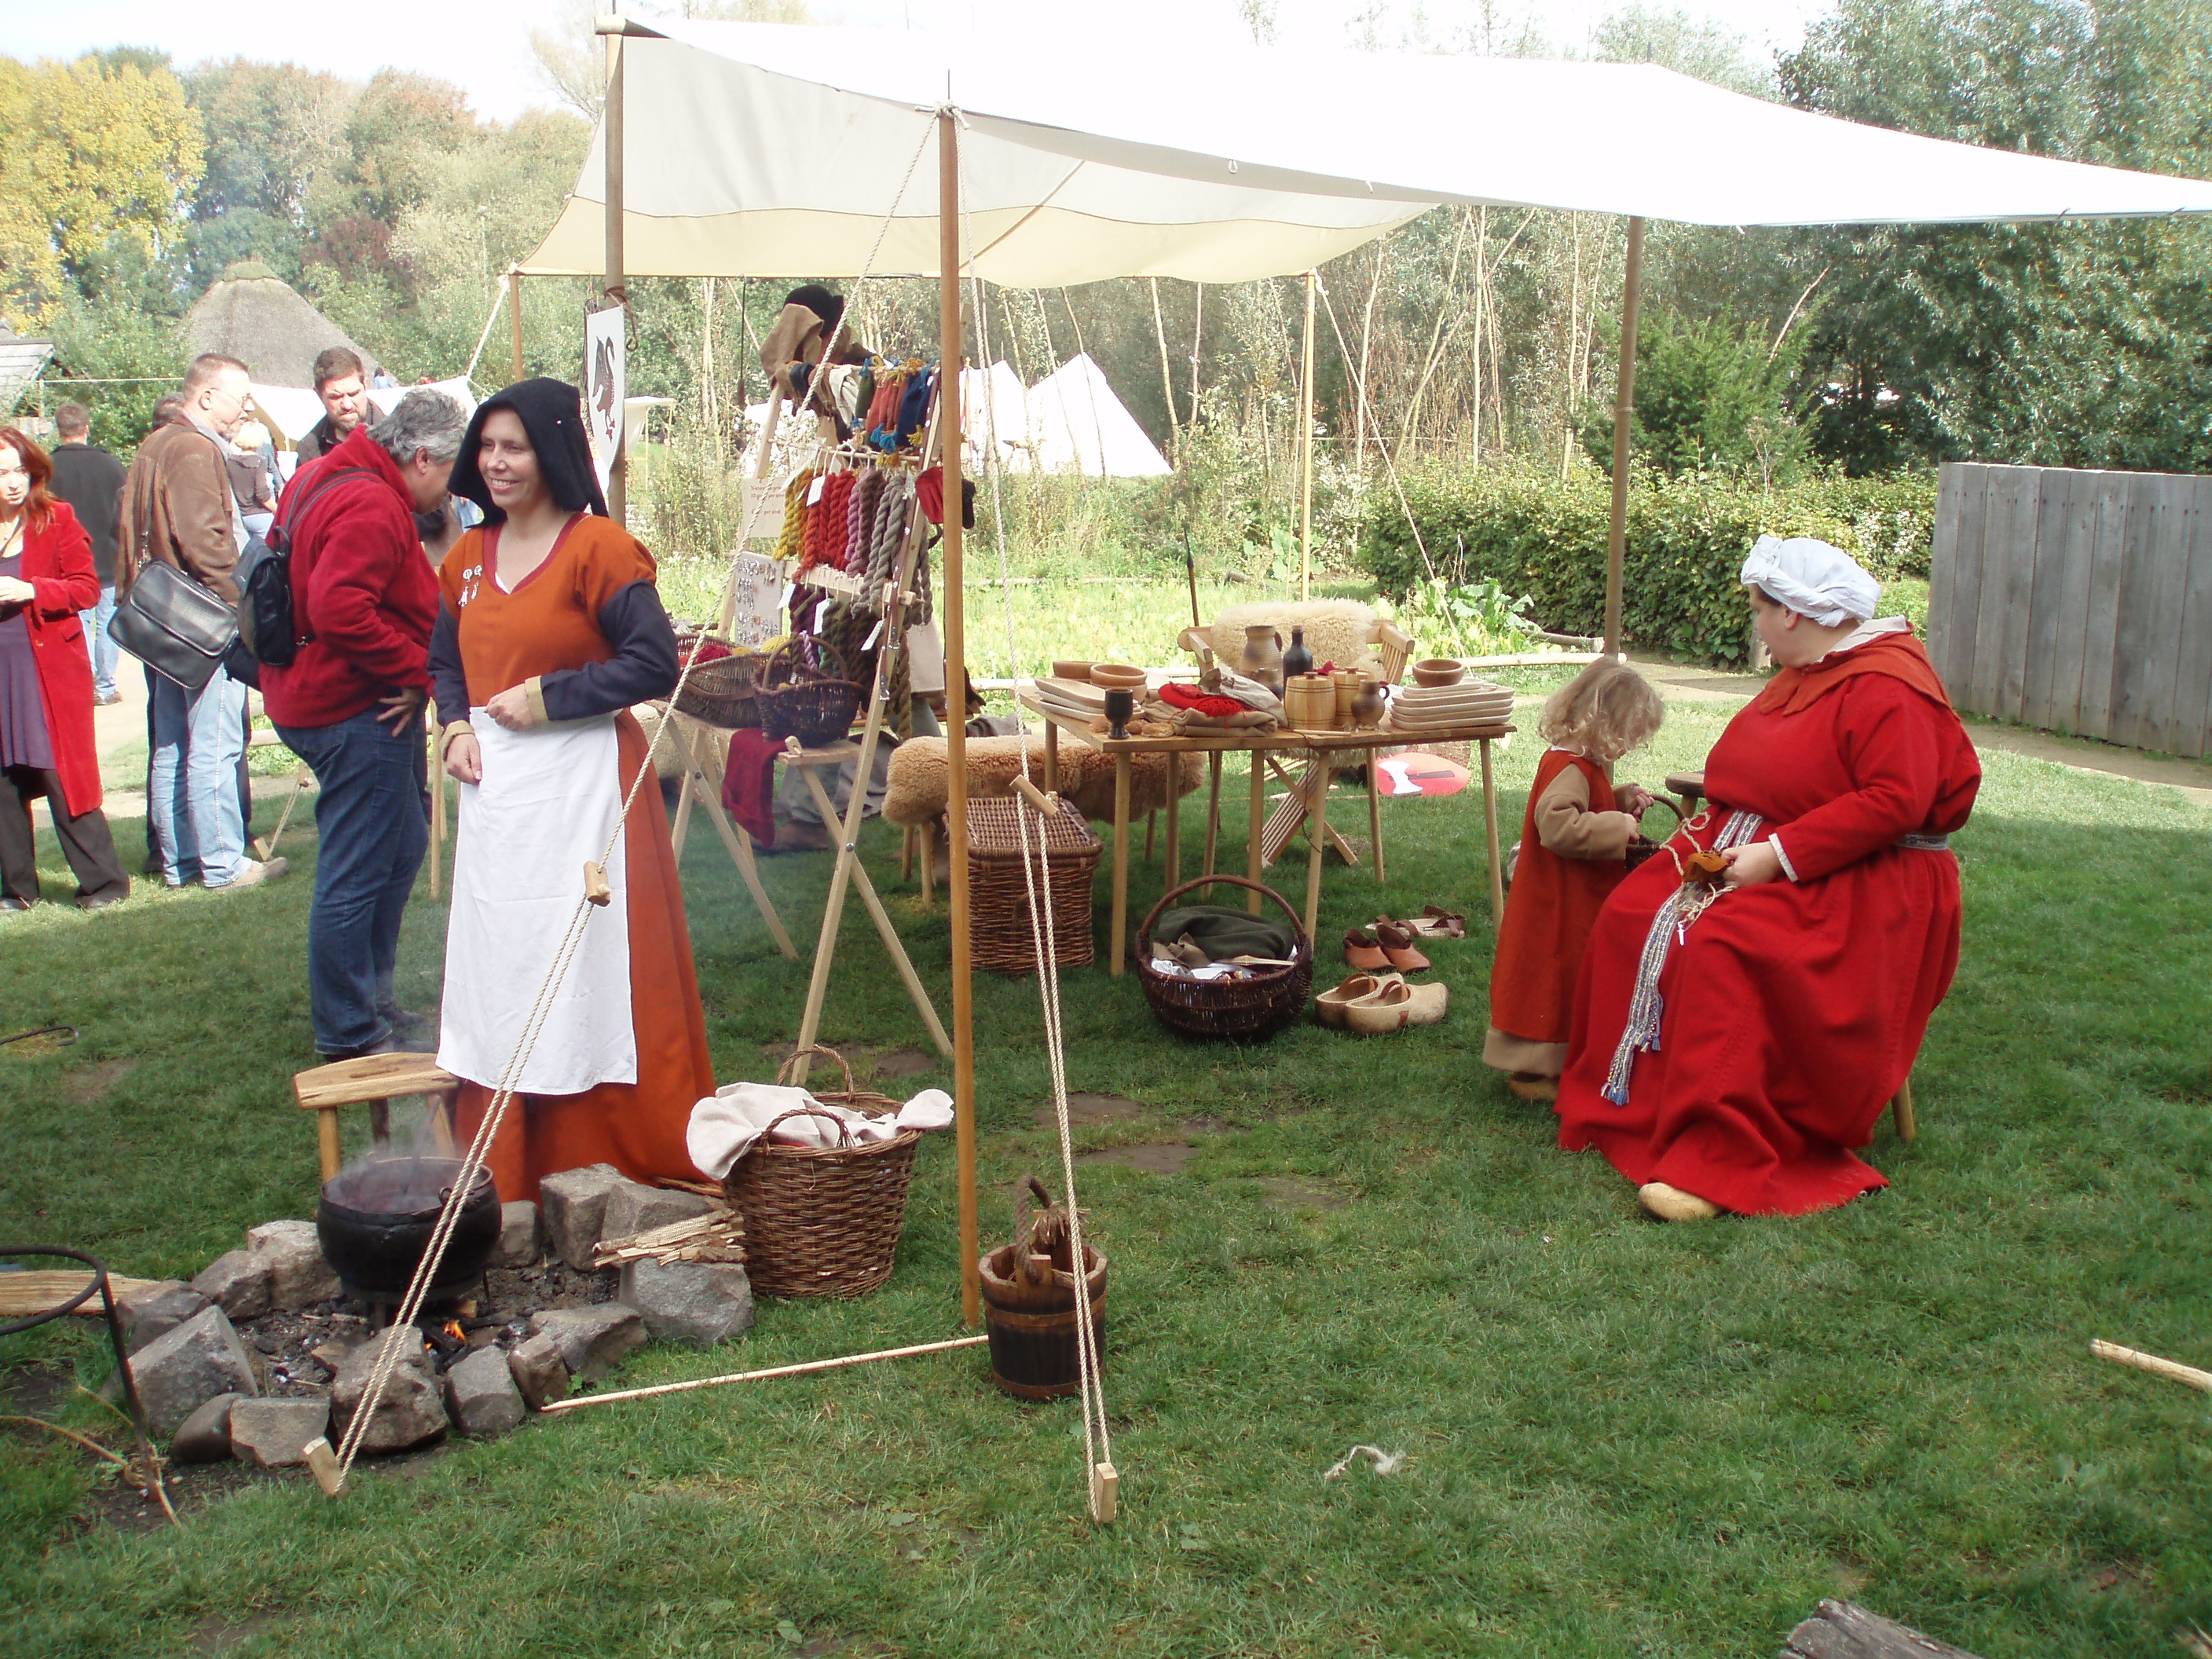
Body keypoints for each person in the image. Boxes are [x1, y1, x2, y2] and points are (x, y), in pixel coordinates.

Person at [1554, 537, 1981, 1223]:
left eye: (1758, 608)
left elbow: (1895, 801)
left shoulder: (1890, 685)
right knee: (1631, 911)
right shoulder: (1813, 669)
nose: (1754, 622)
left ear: (1792, 612)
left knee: (1726, 947)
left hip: (1863, 883)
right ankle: (1629, 1098)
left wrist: (1778, 855)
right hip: (1768, 853)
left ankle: (1720, 1152)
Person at [430, 378, 714, 1202]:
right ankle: (509, 1155)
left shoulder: (598, 548)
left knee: (593, 960)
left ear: (551, 451)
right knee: (507, 964)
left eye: (514, 447)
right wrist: (454, 725)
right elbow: (445, 660)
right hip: (499, 799)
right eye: (487, 446)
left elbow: (652, 663)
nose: (496, 462)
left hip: (587, 785)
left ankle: (613, 1146)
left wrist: (549, 698)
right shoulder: (467, 559)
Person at [265, 390, 468, 1060]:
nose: (451, 491)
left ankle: (372, 1004)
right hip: (351, 705)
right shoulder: (373, 501)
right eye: (451, 472)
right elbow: (339, 611)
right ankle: (350, 1032)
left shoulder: (325, 473)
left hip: (329, 694)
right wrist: (420, 672)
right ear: (422, 458)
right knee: (358, 870)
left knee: (400, 846)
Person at [116, 353, 287, 891]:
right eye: (241, 397)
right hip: (200, 619)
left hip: (161, 617)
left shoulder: (156, 443)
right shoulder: (193, 447)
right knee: (215, 742)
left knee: (171, 741)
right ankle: (221, 863)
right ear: (207, 396)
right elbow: (205, 542)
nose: (246, 408)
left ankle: (180, 861)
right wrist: (240, 606)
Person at [1484, 660, 1664, 1103]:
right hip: (1558, 901)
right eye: (1626, 735)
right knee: (1555, 975)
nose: (1628, 747)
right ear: (1603, 724)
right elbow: (1557, 825)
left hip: (1564, 894)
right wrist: (1617, 827)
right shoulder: (1570, 767)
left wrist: (1619, 800)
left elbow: (1587, 805)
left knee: (1566, 973)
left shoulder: (1580, 762)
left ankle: (1552, 1063)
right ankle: (1535, 1070)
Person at [0, 430, 129, 910]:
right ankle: (15, 890)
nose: (14, 482)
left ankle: (104, 884)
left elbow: (87, 589)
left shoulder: (56, 519)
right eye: (2, 473)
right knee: (4, 782)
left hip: (48, 673)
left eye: (20, 470)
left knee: (63, 777)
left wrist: (33, 590)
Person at [44, 403, 126, 707]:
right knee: (107, 624)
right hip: (108, 557)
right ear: (86, 428)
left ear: (59, 430)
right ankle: (105, 687)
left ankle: (85, 681)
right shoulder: (111, 465)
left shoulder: (46, 469)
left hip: (66, 561)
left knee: (78, 623)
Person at [296, 349, 370, 465]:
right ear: (319, 394)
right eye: (336, 397)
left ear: (365, 385)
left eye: (353, 394)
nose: (347, 405)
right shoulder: (310, 451)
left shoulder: (396, 438)